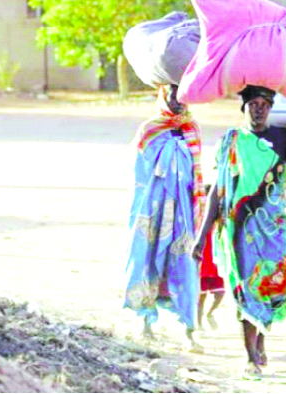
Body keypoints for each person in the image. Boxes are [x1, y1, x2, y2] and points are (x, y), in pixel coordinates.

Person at [192, 85, 286, 377]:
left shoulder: (284, 138)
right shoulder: (231, 141)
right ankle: (250, 358)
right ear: (243, 107)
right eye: (253, 103)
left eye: (265, 104)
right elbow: (217, 192)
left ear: (270, 108)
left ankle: (259, 340)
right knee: (247, 291)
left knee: (273, 286)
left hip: (274, 229)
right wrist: (202, 235)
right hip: (239, 231)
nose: (259, 109)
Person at [123, 84, 205, 353]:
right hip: (153, 209)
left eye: (182, 94)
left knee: (185, 266)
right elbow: (139, 175)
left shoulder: (192, 129)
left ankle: (189, 330)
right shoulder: (150, 130)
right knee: (146, 260)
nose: (177, 99)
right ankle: (144, 323)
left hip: (183, 211)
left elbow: (197, 174)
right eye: (172, 93)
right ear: (163, 95)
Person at [197, 184, 225, 331]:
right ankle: (199, 322)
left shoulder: (220, 220)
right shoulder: (201, 221)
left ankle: (210, 313)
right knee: (201, 297)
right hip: (204, 264)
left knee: (220, 293)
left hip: (215, 264)